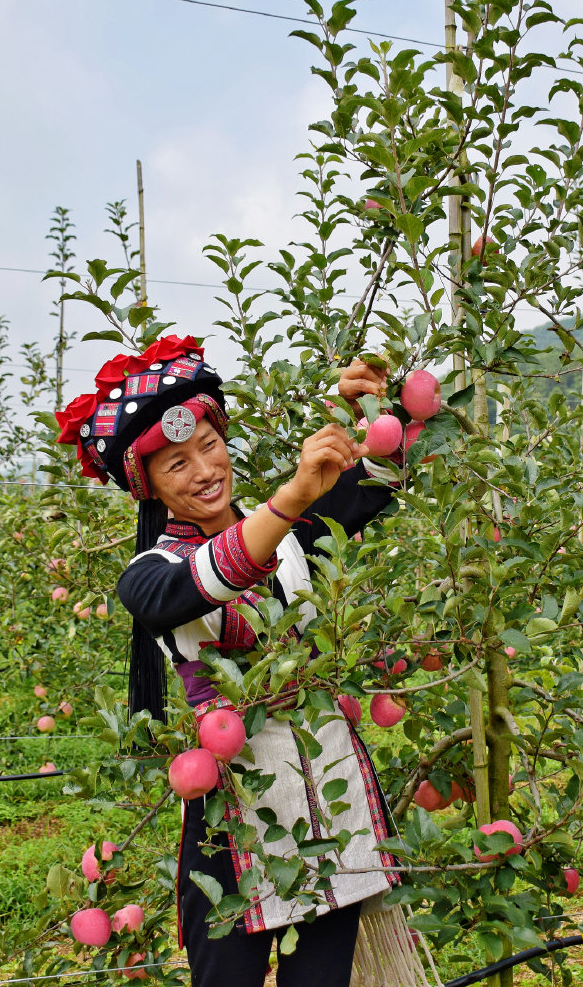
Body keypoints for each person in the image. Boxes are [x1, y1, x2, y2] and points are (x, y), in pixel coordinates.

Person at [54, 335, 407, 987]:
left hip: (332, 809)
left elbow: (377, 482)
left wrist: (374, 408)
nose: (204, 470)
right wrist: (291, 498)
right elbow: (205, 579)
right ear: (149, 488)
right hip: (231, 837)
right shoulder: (150, 575)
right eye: (176, 464)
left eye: (209, 446)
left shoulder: (298, 536)